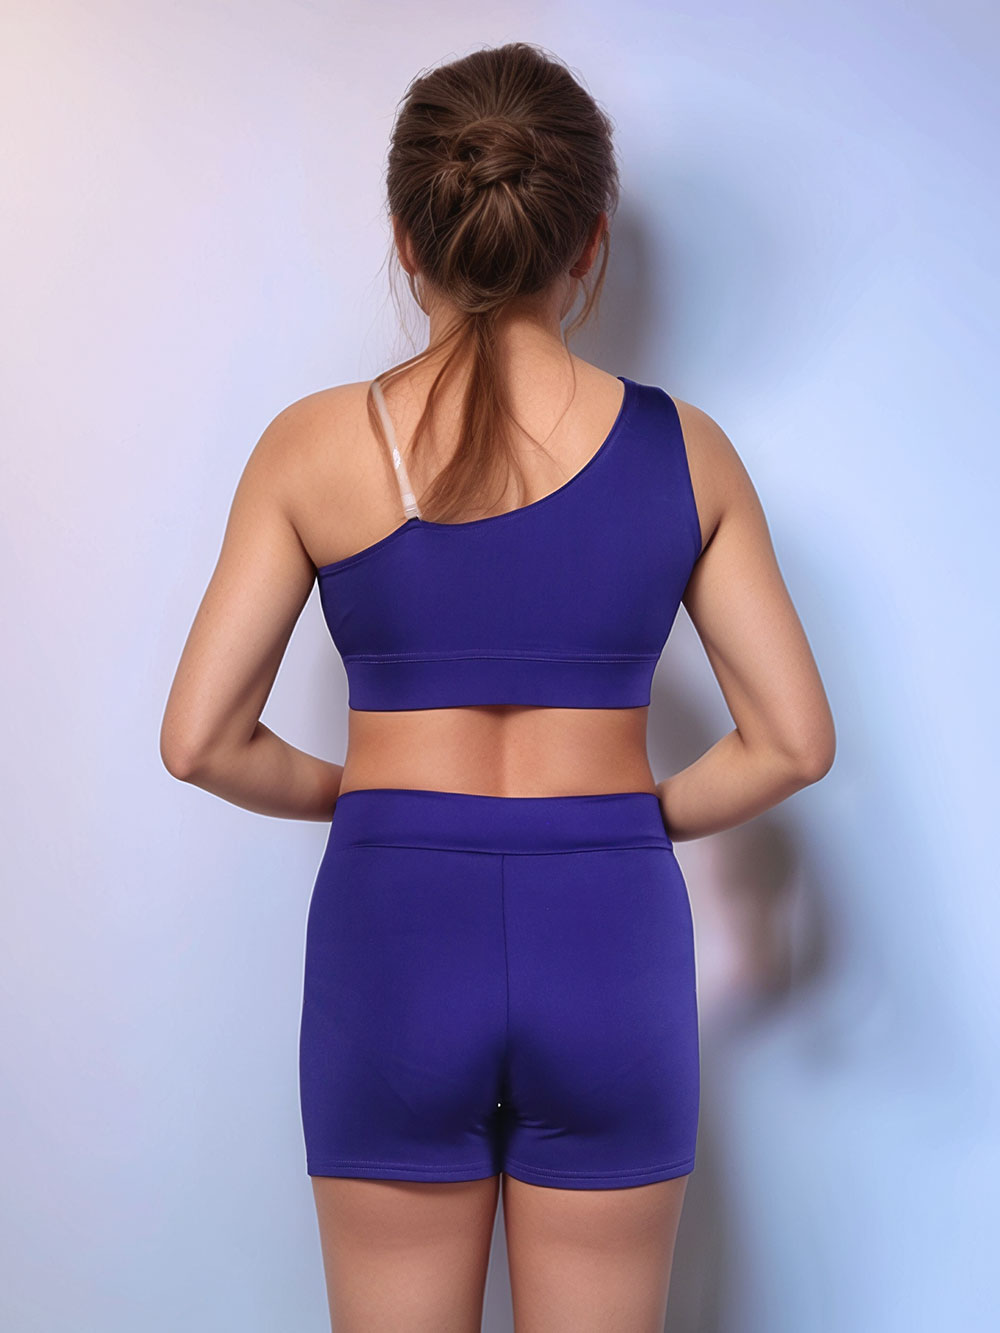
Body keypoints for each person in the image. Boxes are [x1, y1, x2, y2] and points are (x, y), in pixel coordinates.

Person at [160, 39, 835, 1333]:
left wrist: (371, 796)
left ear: (408, 242)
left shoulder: (312, 447)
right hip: (609, 931)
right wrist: (627, 816)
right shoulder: (686, 452)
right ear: (589, 244)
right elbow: (794, 743)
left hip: (394, 930)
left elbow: (200, 741)